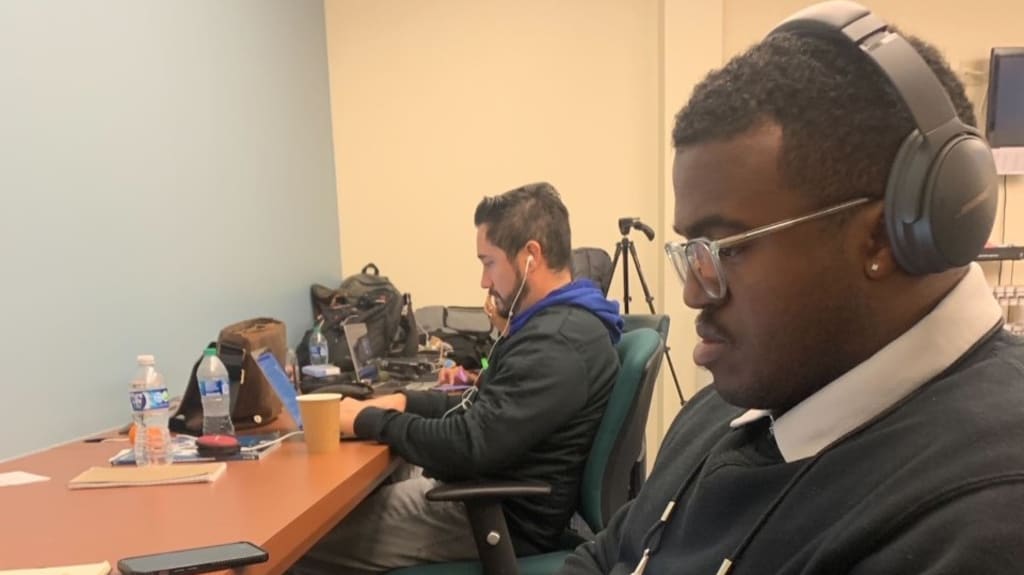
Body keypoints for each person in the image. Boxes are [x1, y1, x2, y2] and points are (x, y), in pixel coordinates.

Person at [559, 4, 1024, 575]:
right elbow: (608, 553)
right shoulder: (739, 402)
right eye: (691, 253)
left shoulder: (984, 521)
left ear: (880, 238)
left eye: (725, 248)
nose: (694, 294)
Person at [291, 182, 623, 574]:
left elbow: (470, 443)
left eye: (489, 262)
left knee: (306, 545)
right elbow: (480, 411)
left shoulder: (558, 342)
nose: (484, 281)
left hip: (497, 518)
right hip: (491, 493)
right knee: (358, 500)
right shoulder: (557, 325)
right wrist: (404, 402)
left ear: (531, 256)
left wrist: (366, 420)